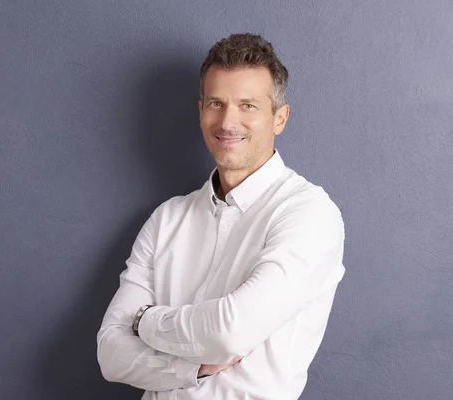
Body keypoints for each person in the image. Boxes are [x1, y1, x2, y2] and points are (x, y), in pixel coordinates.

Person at [97, 33, 345, 400]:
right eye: (217, 103)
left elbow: (230, 332)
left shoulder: (309, 213)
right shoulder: (167, 219)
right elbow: (110, 355)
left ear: (280, 118)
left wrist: (144, 320)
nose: (228, 122)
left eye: (248, 106)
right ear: (200, 112)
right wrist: (191, 369)